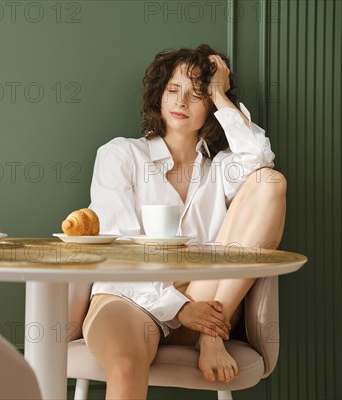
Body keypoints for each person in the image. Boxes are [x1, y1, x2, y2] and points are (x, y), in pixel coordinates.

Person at [84, 44, 287, 399]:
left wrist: (220, 94)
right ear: (159, 96)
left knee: (270, 182)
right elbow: (117, 254)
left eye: (197, 94)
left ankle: (212, 337)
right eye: (173, 91)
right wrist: (180, 308)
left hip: (207, 301)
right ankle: (204, 328)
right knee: (126, 367)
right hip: (132, 299)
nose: (181, 103)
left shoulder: (221, 167)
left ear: (209, 107)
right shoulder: (120, 155)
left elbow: (259, 159)